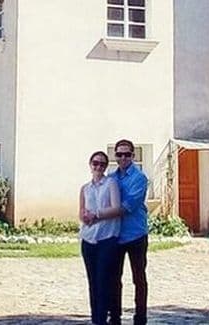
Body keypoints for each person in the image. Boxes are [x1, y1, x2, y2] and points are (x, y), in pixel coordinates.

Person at [109, 138, 149, 325]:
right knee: (114, 278)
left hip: (136, 234)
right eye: (119, 154)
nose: (123, 157)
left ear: (133, 156)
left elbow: (129, 205)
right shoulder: (111, 178)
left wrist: (101, 214)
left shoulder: (139, 178)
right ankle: (114, 316)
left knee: (138, 278)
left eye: (127, 154)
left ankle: (140, 317)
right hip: (116, 235)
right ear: (115, 156)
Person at [80, 151, 122, 325]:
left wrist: (97, 215)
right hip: (89, 239)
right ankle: (96, 318)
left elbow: (117, 208)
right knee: (93, 281)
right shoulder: (85, 188)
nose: (98, 167)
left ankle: (105, 318)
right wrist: (86, 217)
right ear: (90, 165)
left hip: (107, 238)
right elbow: (81, 212)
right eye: (95, 163)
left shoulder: (110, 183)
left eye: (102, 164)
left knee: (104, 279)